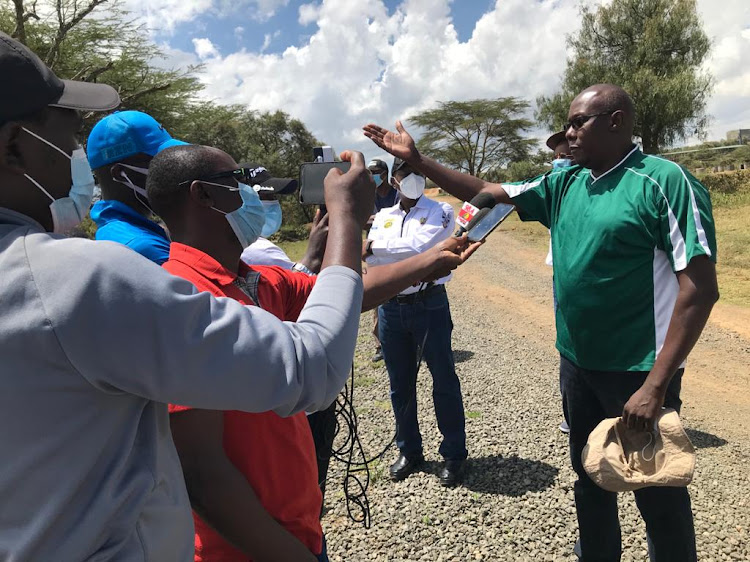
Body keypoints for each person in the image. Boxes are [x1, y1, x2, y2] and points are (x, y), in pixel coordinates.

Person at [0, 31, 372, 561]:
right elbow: (309, 368)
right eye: (66, 138)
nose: (72, 160)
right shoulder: (81, 278)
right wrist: (347, 220)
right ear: (14, 145)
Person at [364, 83, 719, 561]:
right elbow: (490, 193)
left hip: (637, 371)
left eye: (578, 122)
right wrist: (421, 162)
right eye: (567, 124)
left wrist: (656, 386)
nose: (567, 133)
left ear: (616, 121)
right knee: (590, 477)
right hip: (578, 365)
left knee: (656, 489)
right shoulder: (565, 182)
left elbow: (700, 290)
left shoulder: (663, 182)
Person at [147, 144, 480, 562]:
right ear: (203, 195)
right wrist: (346, 217)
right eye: (241, 179)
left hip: (295, 529)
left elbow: (344, 293)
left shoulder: (259, 281)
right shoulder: (181, 298)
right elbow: (201, 472)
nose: (255, 191)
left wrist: (432, 260)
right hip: (245, 550)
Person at [364, 157, 468, 487]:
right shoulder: (382, 216)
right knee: (400, 384)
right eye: (406, 173)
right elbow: (400, 257)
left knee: (444, 379)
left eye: (418, 172)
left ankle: (454, 453)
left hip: (429, 303)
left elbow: (424, 247)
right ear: (393, 180)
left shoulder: (441, 212)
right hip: (391, 308)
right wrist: (391, 254)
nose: (414, 178)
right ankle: (409, 450)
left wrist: (374, 247)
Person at [87, 110, 187, 264]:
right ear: (120, 174)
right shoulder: (145, 249)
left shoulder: (127, 230)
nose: (174, 170)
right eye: (164, 163)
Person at [545, 130, 574, 434]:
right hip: (561, 274)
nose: (560, 162)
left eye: (565, 157)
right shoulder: (553, 188)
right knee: (567, 341)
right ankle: (572, 411)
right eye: (556, 157)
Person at [368, 158, 397, 362]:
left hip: (396, 250)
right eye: (370, 172)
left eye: (376, 172)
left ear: (385, 173)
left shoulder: (397, 194)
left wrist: (376, 220)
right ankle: (380, 345)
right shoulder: (368, 196)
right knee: (378, 298)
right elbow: (362, 219)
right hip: (375, 251)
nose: (373, 176)